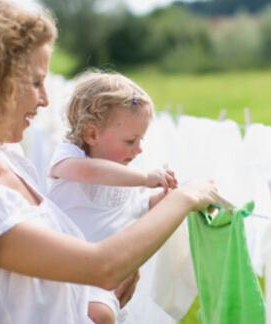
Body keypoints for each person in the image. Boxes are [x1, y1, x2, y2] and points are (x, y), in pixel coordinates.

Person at [0, 1, 220, 323]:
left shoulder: (10, 159)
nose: (45, 99)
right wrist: (187, 196)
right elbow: (101, 266)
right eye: (35, 82)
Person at [46, 71, 178, 322]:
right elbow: (87, 173)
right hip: (61, 271)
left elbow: (136, 208)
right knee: (100, 315)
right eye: (131, 140)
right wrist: (144, 178)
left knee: (103, 314)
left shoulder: (123, 177)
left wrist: (161, 200)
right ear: (91, 134)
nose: (139, 149)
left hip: (101, 281)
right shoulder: (71, 158)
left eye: (141, 139)